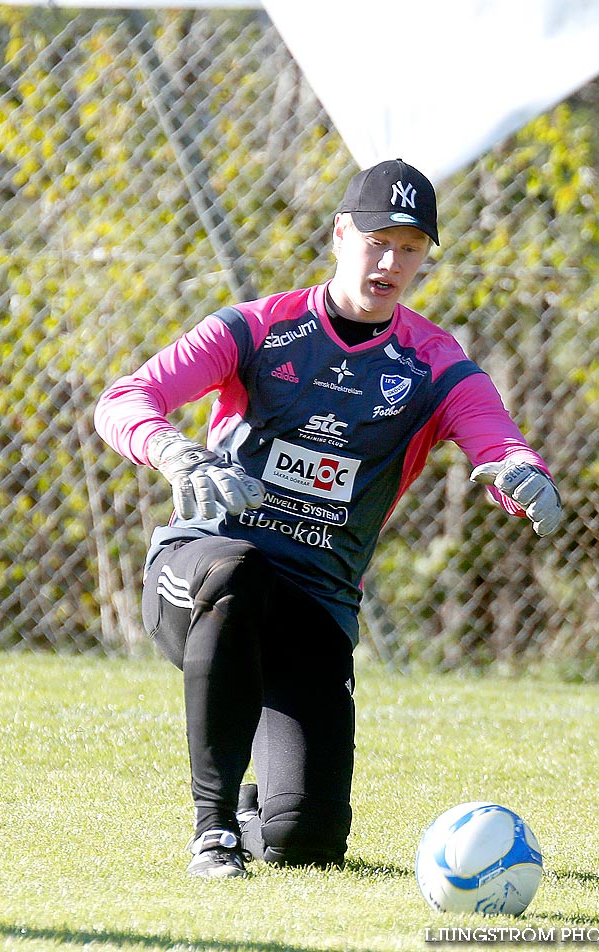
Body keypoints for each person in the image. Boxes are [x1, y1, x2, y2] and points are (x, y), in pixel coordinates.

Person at [94, 158, 562, 879]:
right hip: (200, 581)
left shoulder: (434, 364)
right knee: (238, 571)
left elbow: (494, 437)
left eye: (410, 247)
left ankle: (258, 815)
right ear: (341, 234)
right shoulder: (257, 329)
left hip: (315, 607)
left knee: (305, 844)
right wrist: (176, 455)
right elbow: (125, 398)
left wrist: (521, 476)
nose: (391, 261)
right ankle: (212, 830)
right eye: (377, 240)